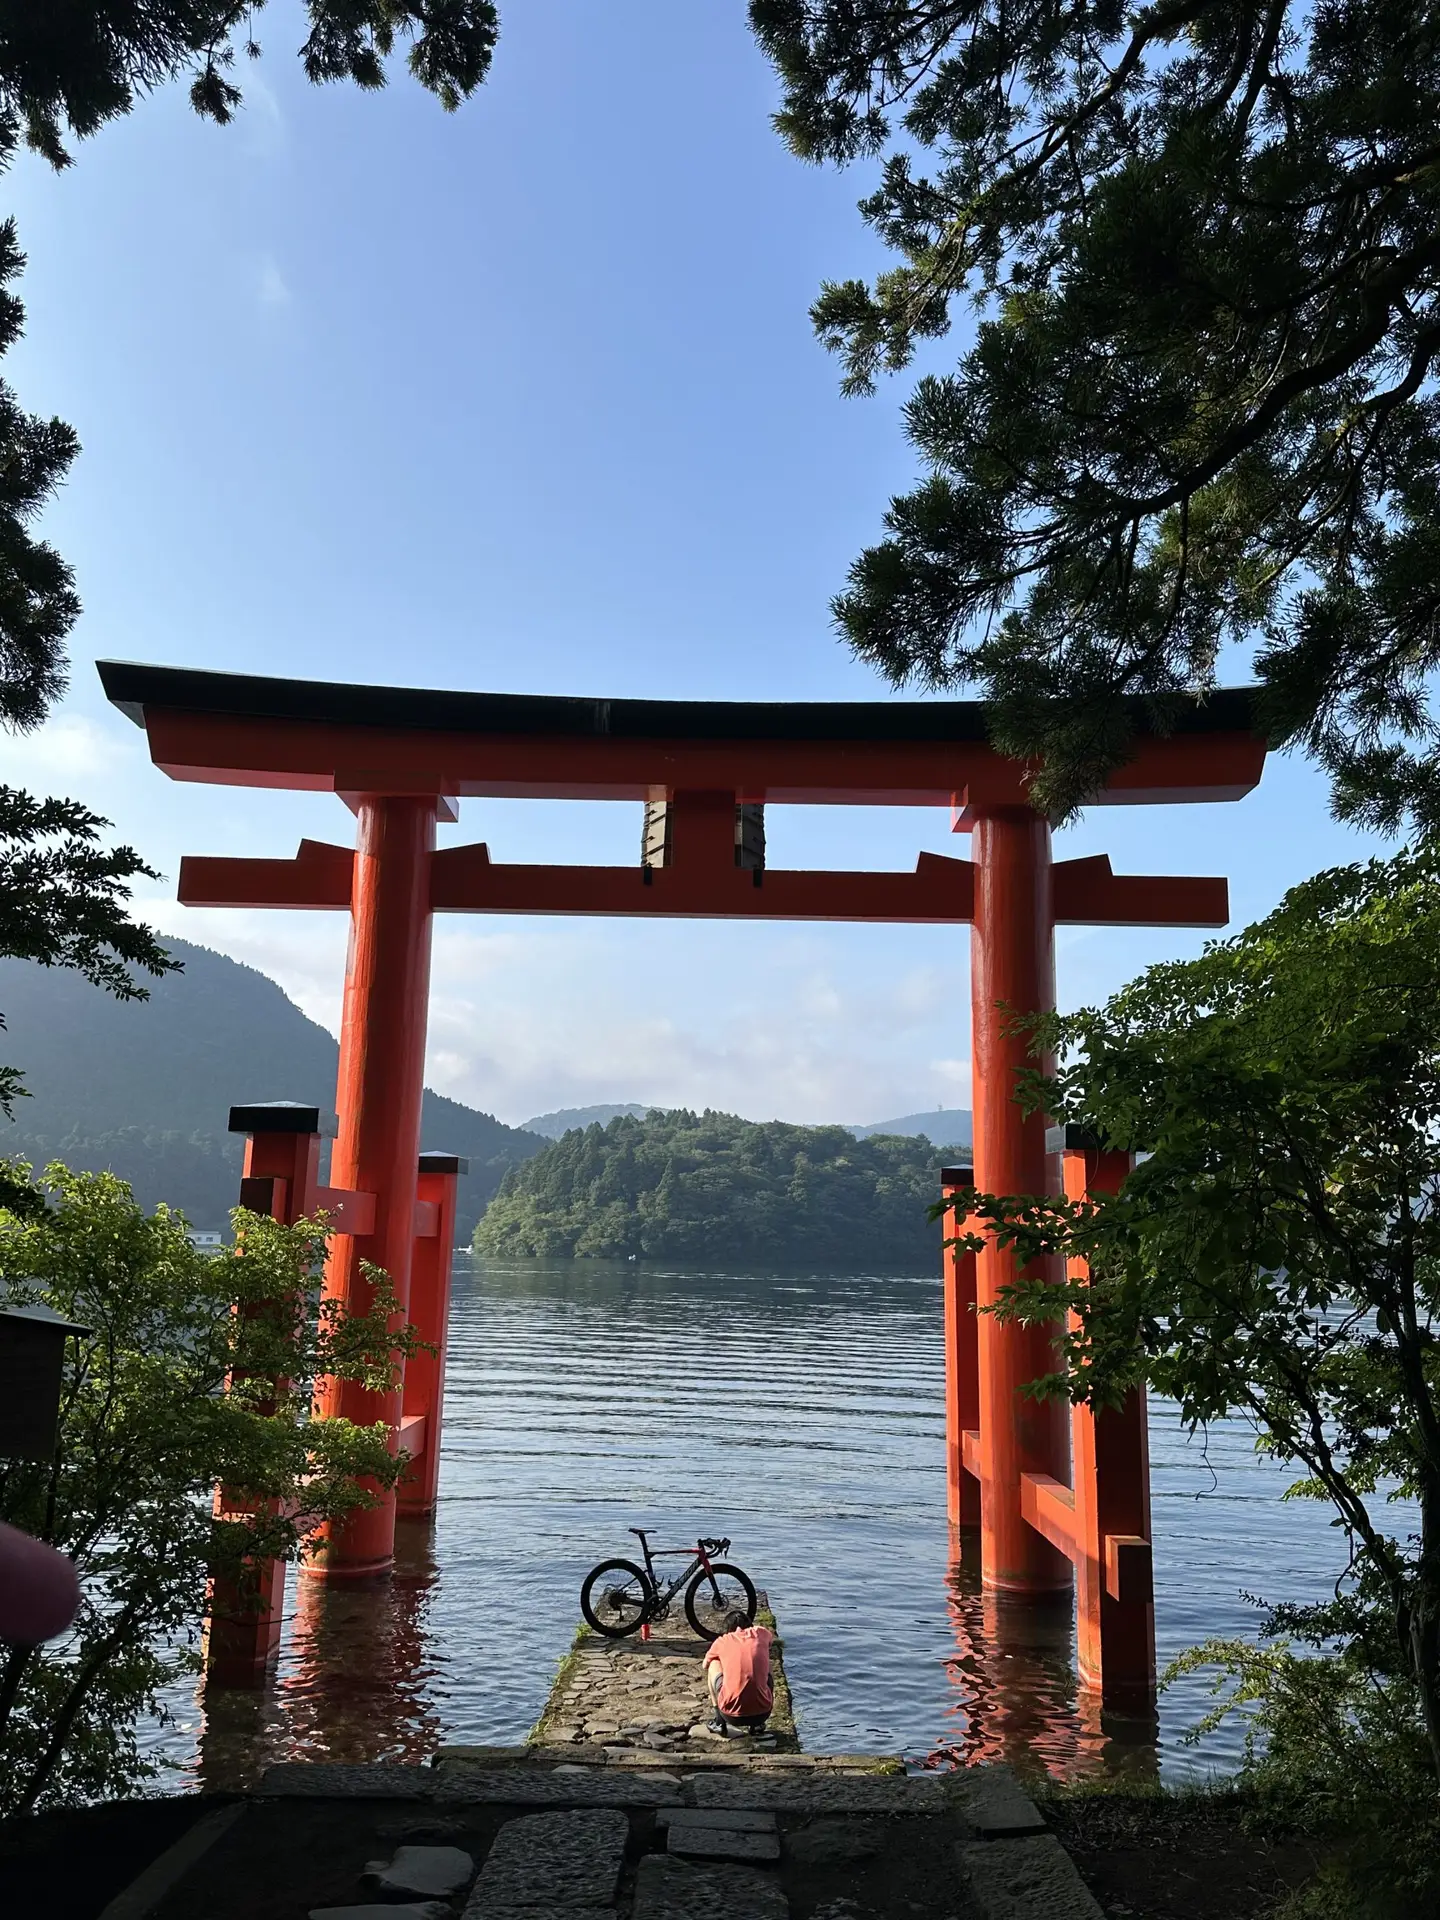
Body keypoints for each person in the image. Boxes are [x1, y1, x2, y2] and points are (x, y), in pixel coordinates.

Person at [701, 1610, 774, 1737]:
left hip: (730, 1715)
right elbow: (770, 1642)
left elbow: (704, 1665)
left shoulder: (722, 1641)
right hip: (763, 1713)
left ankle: (719, 1722)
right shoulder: (761, 1633)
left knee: (714, 1663)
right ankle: (756, 1726)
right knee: (767, 1664)